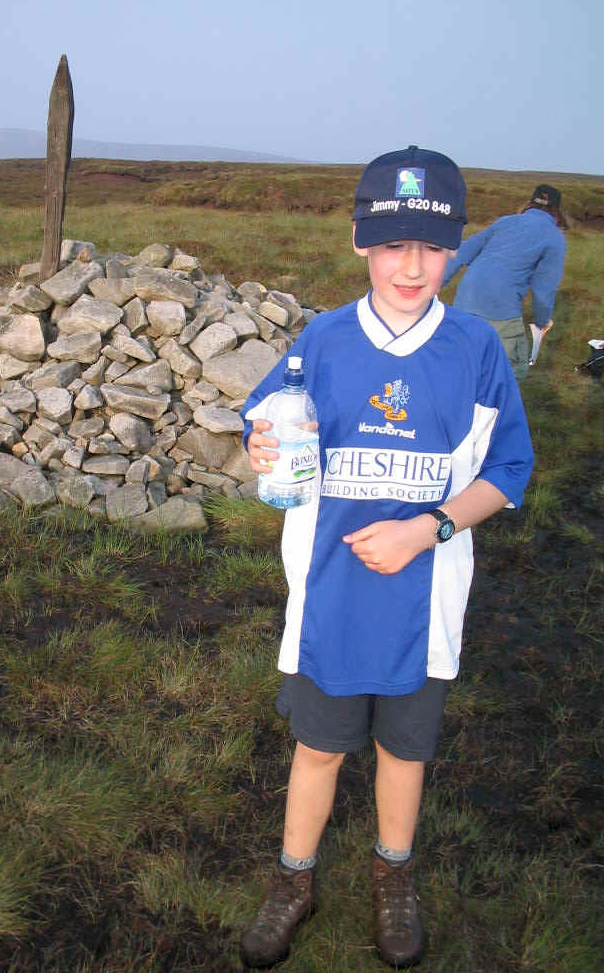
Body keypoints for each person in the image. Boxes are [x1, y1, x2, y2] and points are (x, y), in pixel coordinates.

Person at [239, 145, 534, 969]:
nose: (414, 265)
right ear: (362, 242)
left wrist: (427, 529)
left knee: (405, 752)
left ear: (456, 248)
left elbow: (509, 469)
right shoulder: (324, 340)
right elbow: (265, 421)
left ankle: (392, 875)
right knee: (320, 747)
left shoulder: (475, 349)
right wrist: (263, 441)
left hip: (425, 603)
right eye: (395, 244)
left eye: (434, 246)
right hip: (330, 598)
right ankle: (294, 879)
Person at [441, 183, 566, 379]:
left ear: (530, 203)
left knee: (460, 363)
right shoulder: (555, 238)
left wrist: (434, 284)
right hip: (501, 307)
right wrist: (542, 322)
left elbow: (462, 252)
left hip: (466, 297)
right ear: (557, 211)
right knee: (509, 373)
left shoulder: (505, 222)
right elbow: (544, 289)